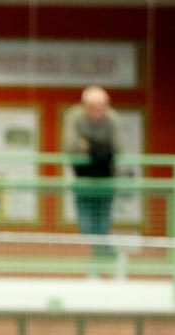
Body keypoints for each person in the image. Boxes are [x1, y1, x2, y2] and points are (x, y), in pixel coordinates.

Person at [62, 86, 122, 261]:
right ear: (84, 106)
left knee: (103, 225)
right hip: (83, 178)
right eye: (93, 107)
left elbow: (116, 149)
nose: (97, 111)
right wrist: (101, 150)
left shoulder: (113, 119)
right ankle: (106, 256)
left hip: (106, 178)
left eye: (101, 107)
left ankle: (103, 260)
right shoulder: (74, 117)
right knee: (86, 225)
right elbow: (70, 147)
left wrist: (89, 145)